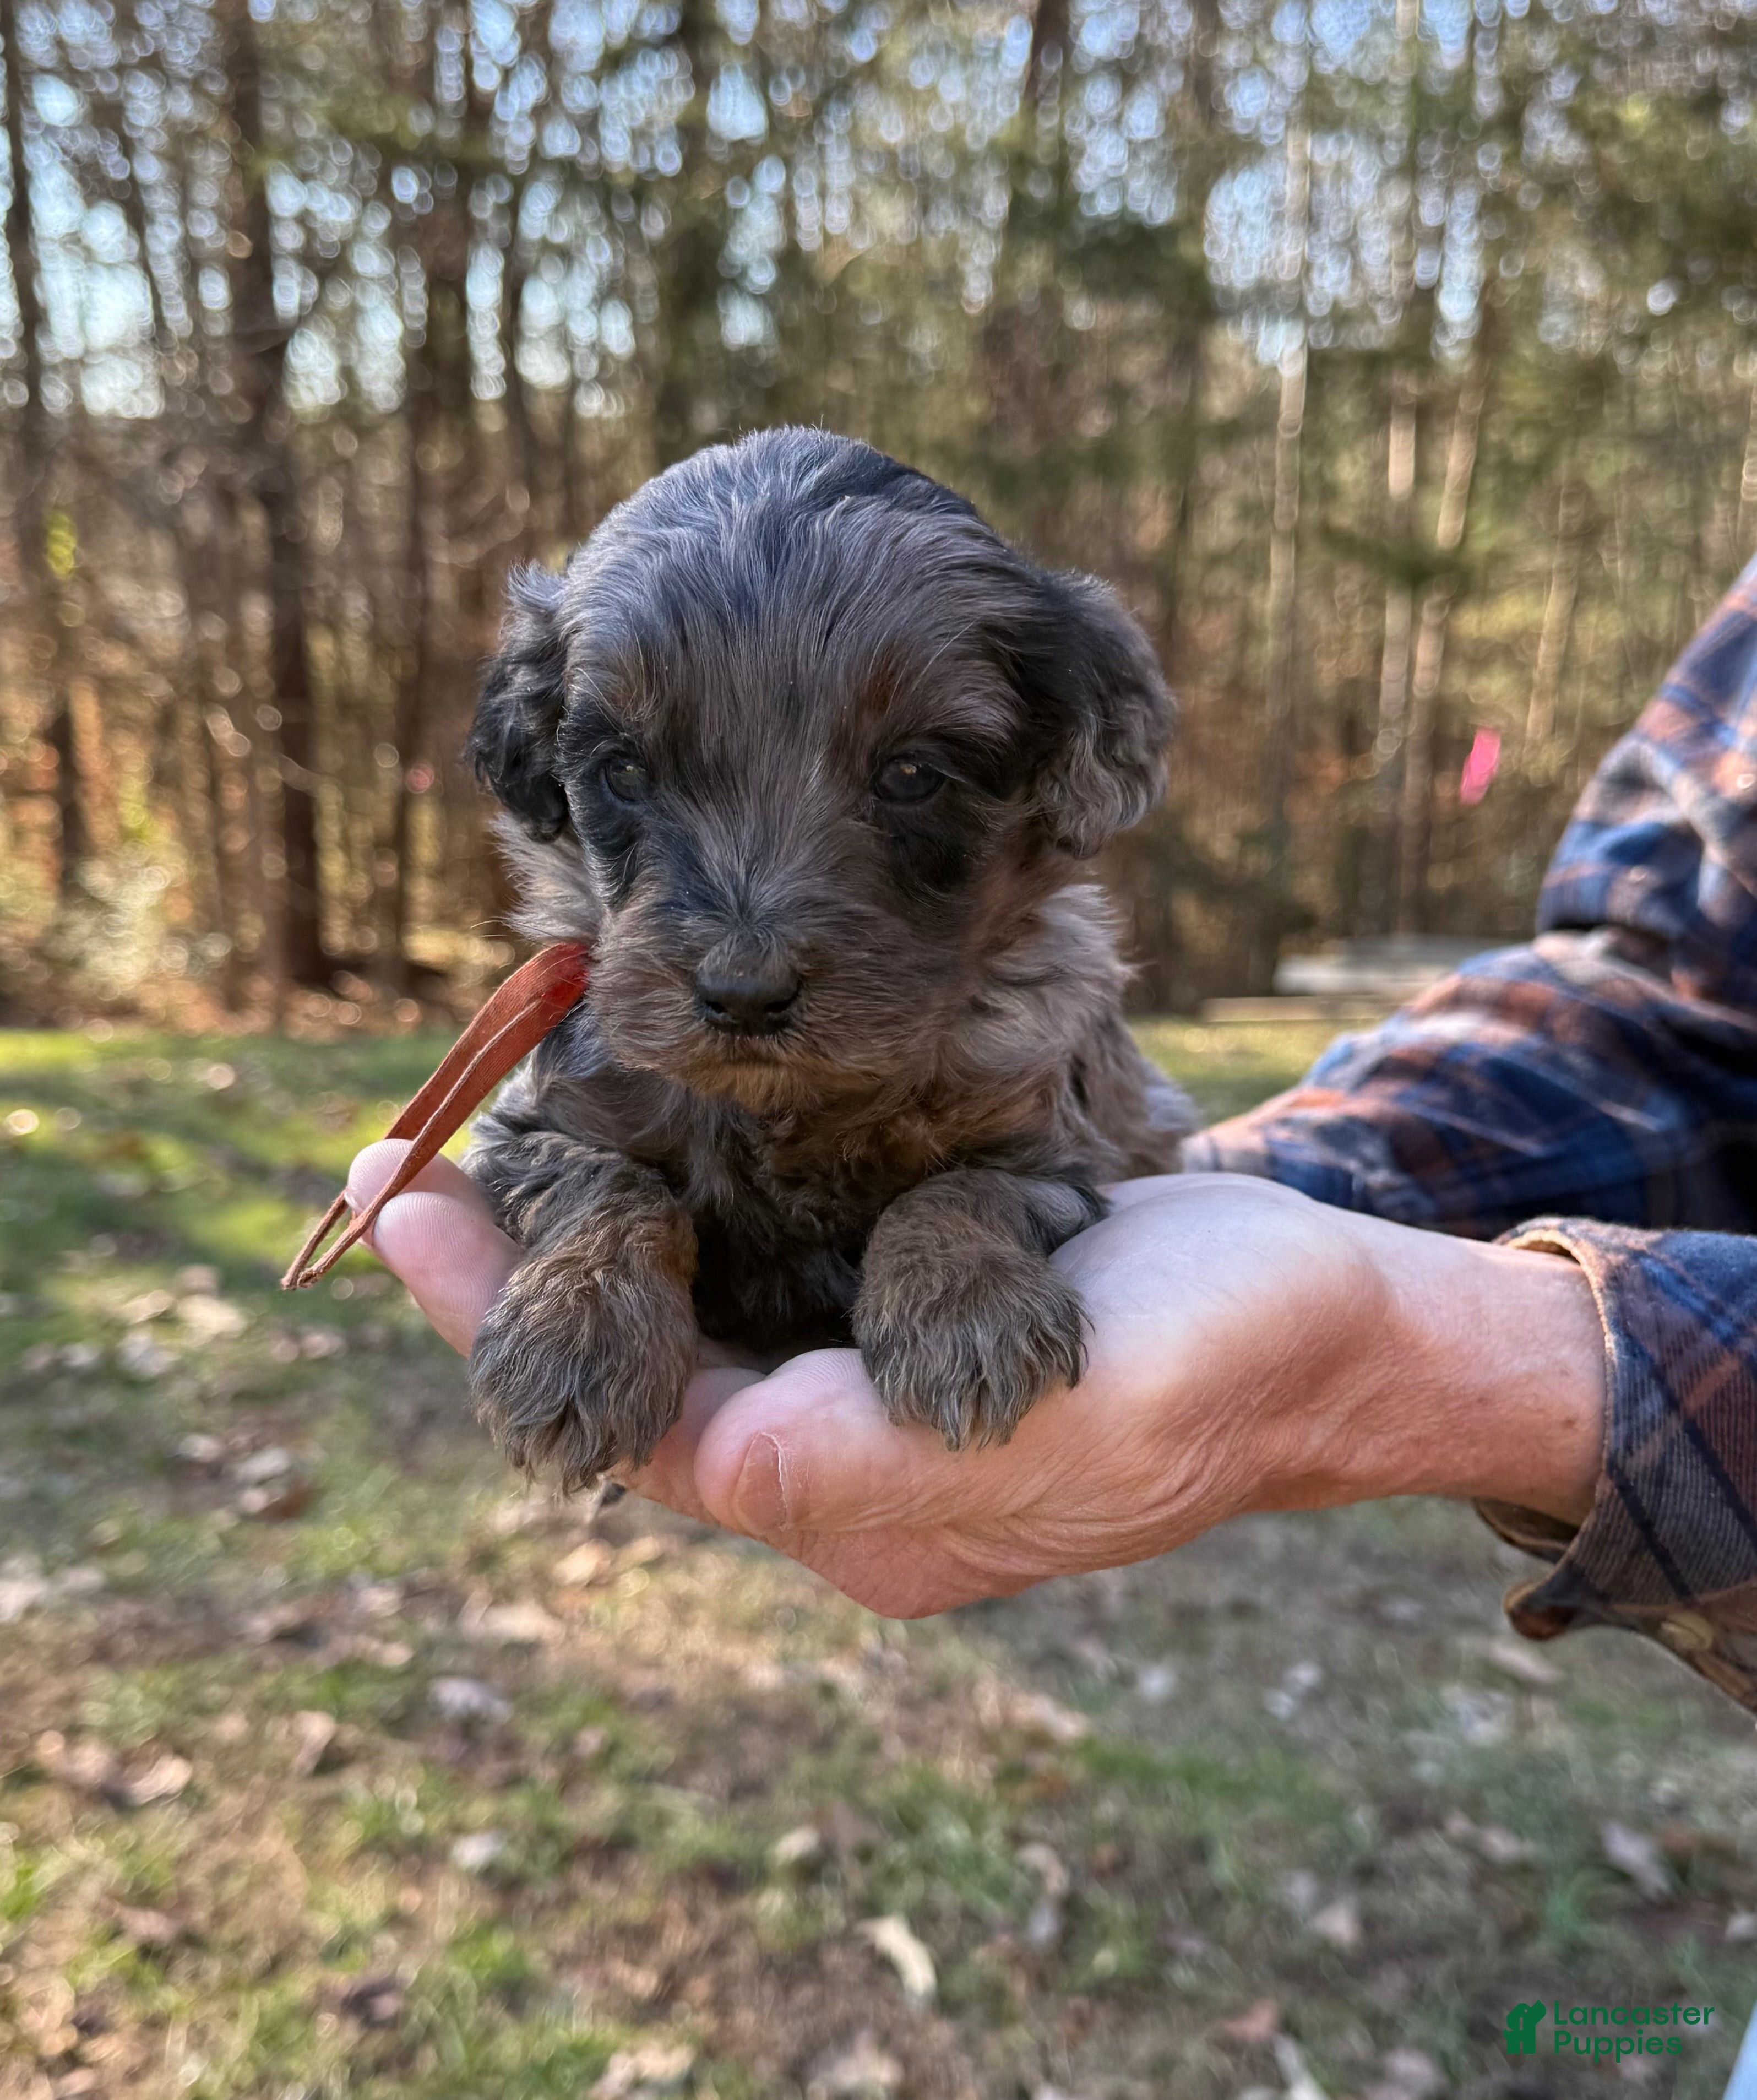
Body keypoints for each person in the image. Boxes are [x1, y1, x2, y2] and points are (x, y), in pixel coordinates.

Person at [347, 562, 1757, 1719]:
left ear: (1056, 774)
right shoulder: (599, 1023)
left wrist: (965, 1223)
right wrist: (606, 1230)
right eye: (632, 776)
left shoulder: (1024, 1014)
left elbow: (1060, 1159)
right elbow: (1670, 1014)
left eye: (910, 779)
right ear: (553, 767)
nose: (748, 949)